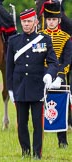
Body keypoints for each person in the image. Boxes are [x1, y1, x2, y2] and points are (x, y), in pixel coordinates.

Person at [6, 8, 58, 159]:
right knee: (21, 124)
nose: (26, 24)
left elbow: (53, 63)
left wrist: (49, 75)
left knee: (37, 123)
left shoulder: (44, 40)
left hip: (37, 88)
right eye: (24, 22)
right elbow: (9, 67)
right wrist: (10, 89)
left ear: (35, 22)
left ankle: (37, 154)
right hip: (20, 88)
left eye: (29, 21)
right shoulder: (13, 41)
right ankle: (25, 152)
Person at [40, 1, 72, 148]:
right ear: (45, 20)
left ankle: (62, 141)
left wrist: (59, 76)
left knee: (60, 107)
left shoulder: (66, 37)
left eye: (54, 19)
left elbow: (67, 60)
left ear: (59, 20)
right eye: (49, 20)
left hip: (59, 76)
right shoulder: (39, 36)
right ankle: (38, 139)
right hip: (42, 75)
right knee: (37, 109)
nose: (51, 22)